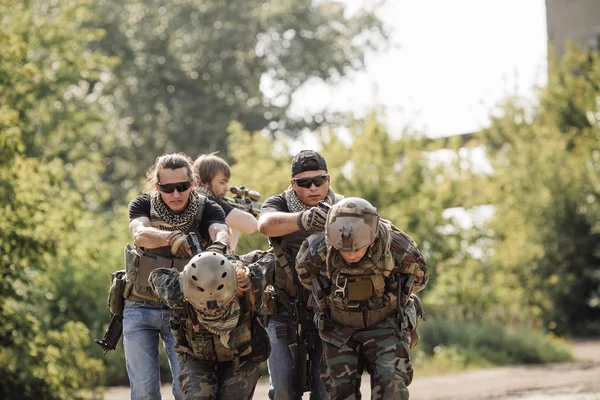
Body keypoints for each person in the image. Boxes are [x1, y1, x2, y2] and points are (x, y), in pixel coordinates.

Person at [295, 197, 429, 400]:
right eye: (345, 249)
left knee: (391, 386)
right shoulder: (318, 248)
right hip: (338, 328)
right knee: (340, 393)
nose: (350, 255)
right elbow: (305, 276)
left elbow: (419, 277)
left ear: (372, 237)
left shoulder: (396, 246)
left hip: (386, 324)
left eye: (357, 249)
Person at [125, 153, 230, 400]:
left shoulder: (207, 208)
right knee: (144, 392)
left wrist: (218, 246)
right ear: (156, 186)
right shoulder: (142, 205)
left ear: (192, 183)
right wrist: (172, 237)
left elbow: (220, 230)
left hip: (183, 312)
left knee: (185, 392)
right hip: (140, 306)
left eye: (182, 187)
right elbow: (139, 233)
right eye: (167, 188)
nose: (175, 194)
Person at [257, 149, 343, 400]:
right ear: (293, 185)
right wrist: (304, 219)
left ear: (329, 180)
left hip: (328, 311)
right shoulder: (280, 203)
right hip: (283, 309)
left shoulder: (342, 206)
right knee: (283, 390)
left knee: (324, 390)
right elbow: (265, 224)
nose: (313, 188)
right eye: (305, 183)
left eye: (319, 180)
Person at [148, 251, 271, 400]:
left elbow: (269, 258)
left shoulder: (251, 281)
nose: (213, 309)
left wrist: (238, 265)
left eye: (220, 306)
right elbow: (155, 276)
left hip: (240, 358)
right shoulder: (177, 290)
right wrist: (184, 280)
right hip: (197, 358)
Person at [193, 152, 258, 252]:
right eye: (222, 182)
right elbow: (252, 225)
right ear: (204, 182)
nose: (227, 188)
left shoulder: (194, 199)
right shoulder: (210, 202)